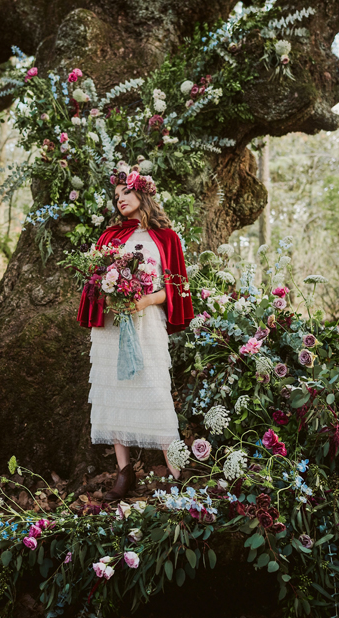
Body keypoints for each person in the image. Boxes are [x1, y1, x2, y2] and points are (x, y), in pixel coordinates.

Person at [76, 166, 194, 501]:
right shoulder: (109, 239)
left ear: (141, 192)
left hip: (147, 323)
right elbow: (95, 284)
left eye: (124, 193)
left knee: (156, 391)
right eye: (115, 197)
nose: (119, 201)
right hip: (113, 327)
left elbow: (177, 288)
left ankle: (175, 472)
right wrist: (112, 293)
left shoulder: (167, 238)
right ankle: (124, 472)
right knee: (114, 394)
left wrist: (143, 300)